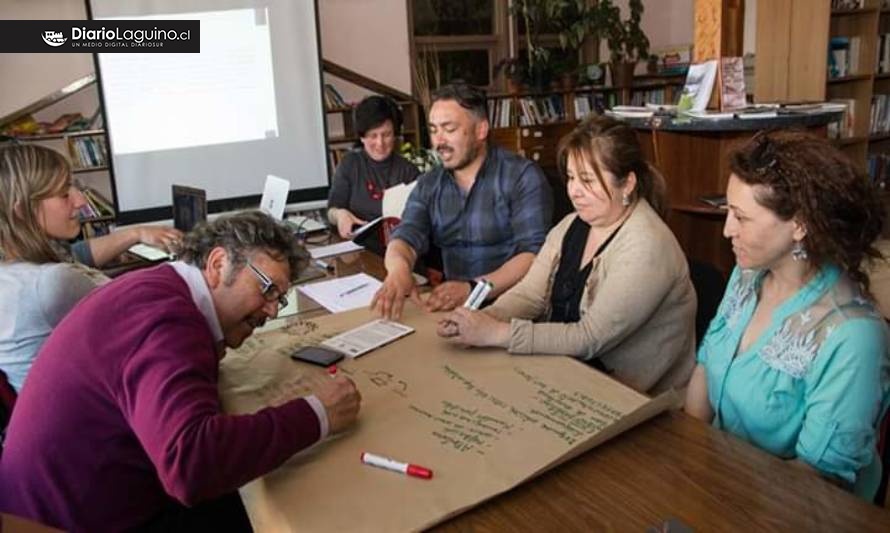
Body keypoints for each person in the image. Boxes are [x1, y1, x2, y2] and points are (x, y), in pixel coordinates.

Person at [0, 211, 362, 531]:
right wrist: (318, 414)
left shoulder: (160, 288)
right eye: (266, 289)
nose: (271, 311)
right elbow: (190, 465)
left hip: (73, 499)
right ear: (218, 264)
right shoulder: (168, 319)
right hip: (68, 520)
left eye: (278, 299)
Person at [684, 130, 890, 501]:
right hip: (718, 482)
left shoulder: (853, 336)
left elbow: (816, 481)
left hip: (788, 508)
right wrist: (689, 462)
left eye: (741, 217)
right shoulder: (746, 274)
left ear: (799, 225)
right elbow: (705, 369)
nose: (727, 229)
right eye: (726, 211)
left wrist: (710, 488)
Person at [436, 115, 695, 394]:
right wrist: (480, 321)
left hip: (630, 397)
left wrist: (496, 333)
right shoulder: (573, 223)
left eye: (587, 180)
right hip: (565, 374)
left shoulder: (647, 245)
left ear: (628, 183)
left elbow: (589, 337)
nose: (574, 191)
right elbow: (530, 295)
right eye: (571, 177)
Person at [0, 144, 179, 392]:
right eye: (64, 194)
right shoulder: (49, 283)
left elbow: (78, 255)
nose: (81, 201)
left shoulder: (16, 269)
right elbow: (148, 316)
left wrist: (137, 233)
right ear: (22, 211)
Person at [372, 81, 553, 320]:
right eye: (434, 130)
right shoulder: (430, 183)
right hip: (454, 308)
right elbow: (405, 235)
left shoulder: (521, 176)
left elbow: (533, 255)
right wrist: (398, 269)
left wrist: (473, 289)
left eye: (449, 129)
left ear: (481, 130)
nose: (439, 142)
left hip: (512, 309)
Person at [326, 95, 421, 239]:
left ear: (395, 134)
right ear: (362, 137)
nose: (380, 143)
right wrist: (339, 215)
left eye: (387, 134)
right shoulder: (350, 164)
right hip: (357, 247)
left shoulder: (408, 171)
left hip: (398, 246)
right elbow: (331, 210)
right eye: (373, 136)